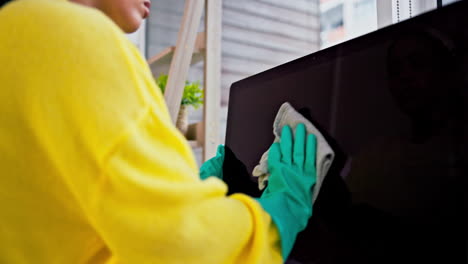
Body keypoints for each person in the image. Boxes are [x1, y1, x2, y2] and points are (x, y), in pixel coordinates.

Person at [0, 0, 318, 263]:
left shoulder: (13, 26)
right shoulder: (76, 37)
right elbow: (183, 249)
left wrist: (178, 191)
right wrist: (281, 211)